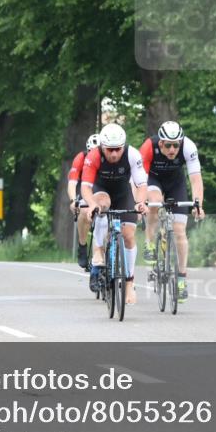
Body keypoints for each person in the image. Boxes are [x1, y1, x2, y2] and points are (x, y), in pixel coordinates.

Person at [80, 123, 148, 305]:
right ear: (103, 147)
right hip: (101, 191)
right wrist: (92, 204)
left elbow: (141, 184)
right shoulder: (93, 156)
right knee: (102, 205)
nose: (114, 154)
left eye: (118, 149)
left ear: (123, 146)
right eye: (110, 150)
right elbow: (85, 186)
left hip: (123, 193)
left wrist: (141, 202)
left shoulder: (132, 154)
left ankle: (129, 282)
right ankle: (99, 254)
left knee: (128, 235)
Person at [140, 121, 205, 301]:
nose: (172, 149)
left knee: (179, 231)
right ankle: (150, 243)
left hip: (176, 183)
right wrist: (141, 202)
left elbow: (196, 179)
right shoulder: (148, 147)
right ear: (160, 143)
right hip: (152, 180)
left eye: (176, 145)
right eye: (168, 145)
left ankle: (182, 280)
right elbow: (138, 179)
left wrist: (198, 203)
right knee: (155, 201)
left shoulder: (188, 147)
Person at [67, 133, 100, 270]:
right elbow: (72, 183)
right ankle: (82, 244)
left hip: (102, 187)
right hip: (86, 187)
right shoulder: (81, 158)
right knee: (85, 210)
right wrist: (73, 200)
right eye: (92, 152)